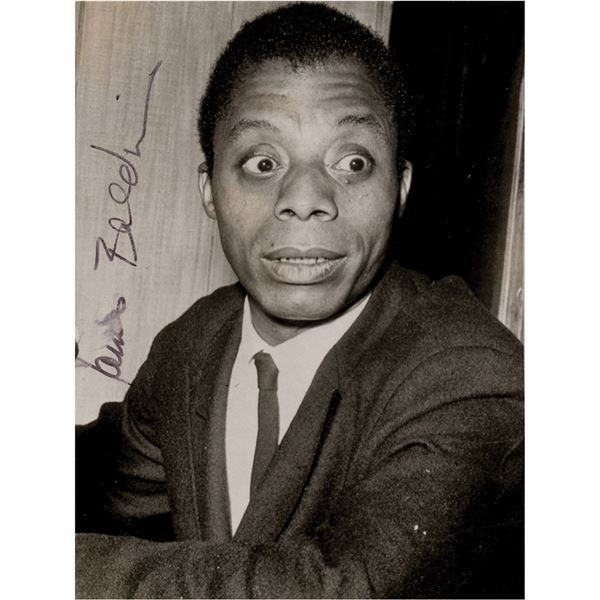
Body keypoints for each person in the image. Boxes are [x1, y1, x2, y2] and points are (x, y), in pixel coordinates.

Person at [76, 3, 524, 598]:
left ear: (400, 188)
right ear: (209, 190)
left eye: (352, 163)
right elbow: (97, 476)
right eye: (263, 163)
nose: (306, 198)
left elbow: (342, 587)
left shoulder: (472, 373)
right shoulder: (196, 341)